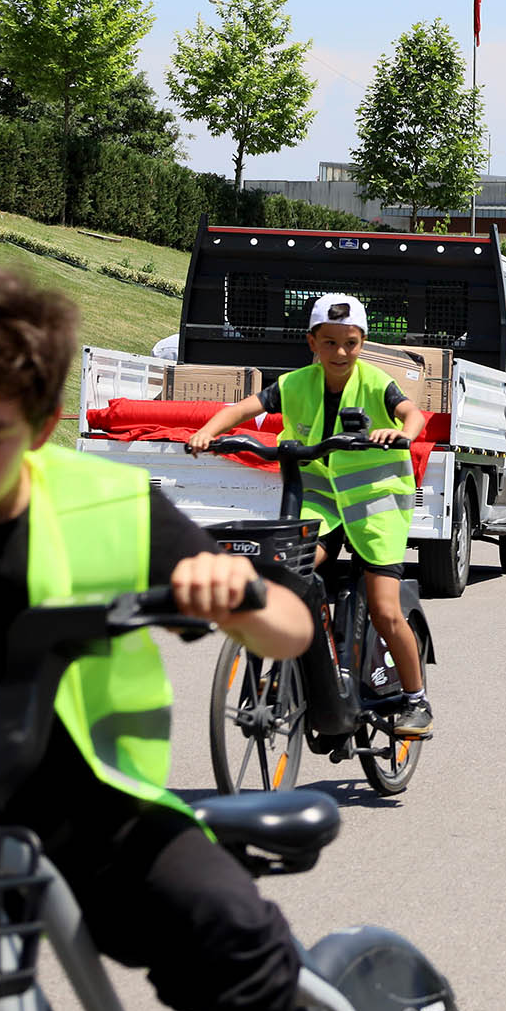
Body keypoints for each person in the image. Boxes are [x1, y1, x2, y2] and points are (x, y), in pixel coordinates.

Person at [0, 271, 322, 1011]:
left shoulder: (108, 506)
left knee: (233, 932)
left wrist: (237, 595)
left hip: (88, 805)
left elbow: (291, 628)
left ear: (43, 426)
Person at [189, 292, 433, 737]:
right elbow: (245, 407)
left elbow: (412, 415)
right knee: (288, 574)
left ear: (362, 343)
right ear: (312, 343)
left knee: (383, 608)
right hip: (320, 499)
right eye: (330, 342)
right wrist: (207, 432)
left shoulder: (377, 383)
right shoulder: (295, 383)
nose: (341, 352)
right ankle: (290, 668)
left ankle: (416, 699)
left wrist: (399, 434)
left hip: (375, 504)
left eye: (351, 343)